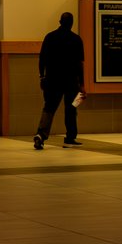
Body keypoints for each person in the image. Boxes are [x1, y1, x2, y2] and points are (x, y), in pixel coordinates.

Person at [34, 12, 85, 149]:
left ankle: (41, 134)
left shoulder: (50, 37)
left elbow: (42, 59)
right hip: (71, 81)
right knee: (71, 108)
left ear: (59, 21)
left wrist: (42, 77)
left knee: (49, 107)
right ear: (72, 23)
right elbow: (80, 64)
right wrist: (82, 84)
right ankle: (70, 137)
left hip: (52, 80)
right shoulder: (76, 39)